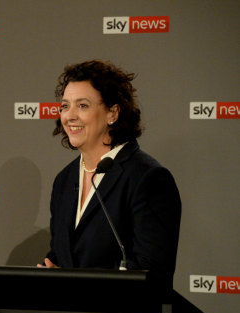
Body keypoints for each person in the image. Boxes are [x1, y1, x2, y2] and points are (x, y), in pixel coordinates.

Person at [38, 60, 181, 288]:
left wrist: (76, 285)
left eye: (82, 106)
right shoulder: (64, 180)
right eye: (65, 106)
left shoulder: (148, 178)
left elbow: (151, 272)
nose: (69, 116)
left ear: (112, 113)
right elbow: (62, 255)